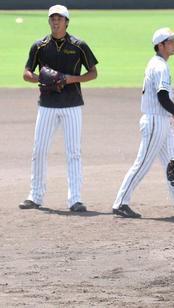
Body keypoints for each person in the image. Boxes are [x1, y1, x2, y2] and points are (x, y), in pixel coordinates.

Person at [112, 27, 174, 218]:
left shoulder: (157, 64)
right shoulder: (160, 66)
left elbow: (162, 99)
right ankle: (120, 202)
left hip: (161, 120)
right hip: (154, 122)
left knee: (173, 164)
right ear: (160, 45)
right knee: (142, 163)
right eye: (170, 41)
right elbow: (162, 97)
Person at [19, 5, 98, 212]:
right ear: (49, 21)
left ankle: (75, 199)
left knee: (73, 152)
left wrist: (72, 79)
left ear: (67, 22)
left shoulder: (79, 45)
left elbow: (93, 73)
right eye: (52, 18)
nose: (55, 22)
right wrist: (42, 79)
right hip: (47, 106)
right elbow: (26, 73)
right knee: (39, 150)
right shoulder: (40, 46)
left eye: (59, 18)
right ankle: (35, 196)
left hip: (72, 104)